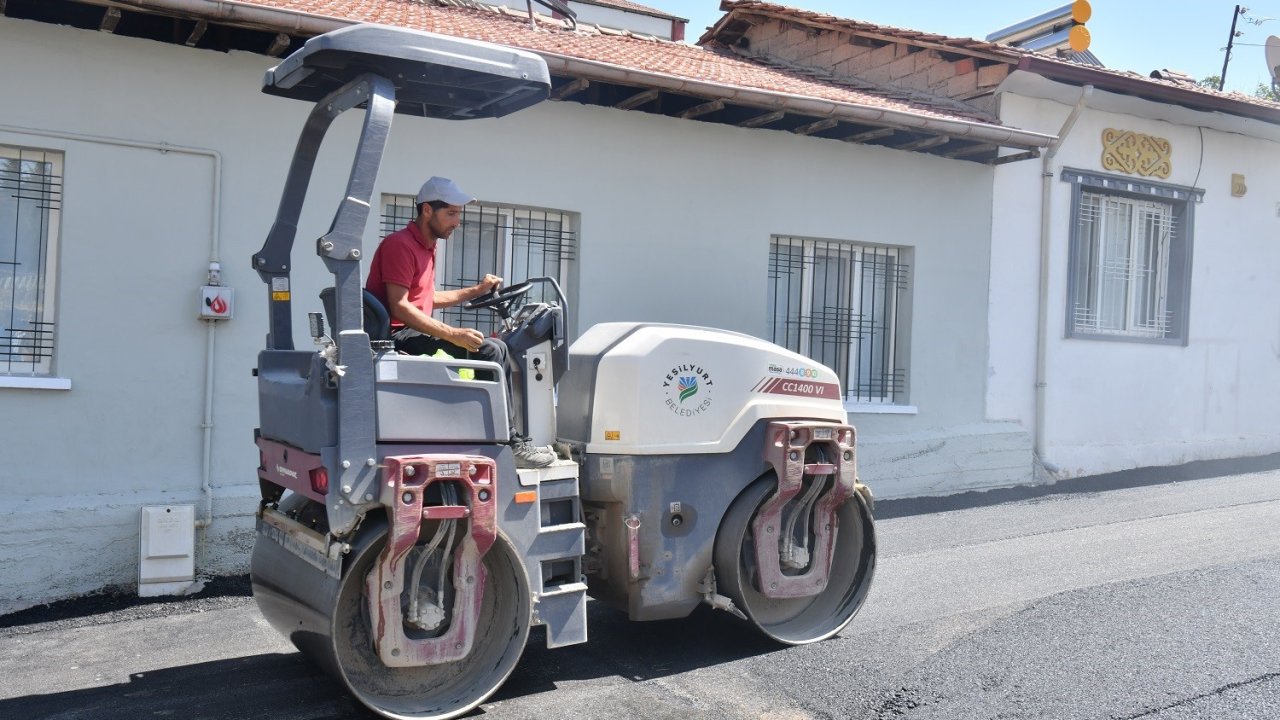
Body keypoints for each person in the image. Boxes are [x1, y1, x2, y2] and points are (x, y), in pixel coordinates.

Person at [366, 176, 555, 468]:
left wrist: (476, 291)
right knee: (492, 350)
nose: (457, 221)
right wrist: (453, 334)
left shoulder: (427, 246)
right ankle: (506, 442)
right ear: (427, 210)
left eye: (458, 213)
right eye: (451, 213)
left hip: (407, 330)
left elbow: (425, 298)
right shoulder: (400, 246)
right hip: (396, 337)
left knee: (489, 345)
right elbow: (400, 306)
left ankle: (490, 434)